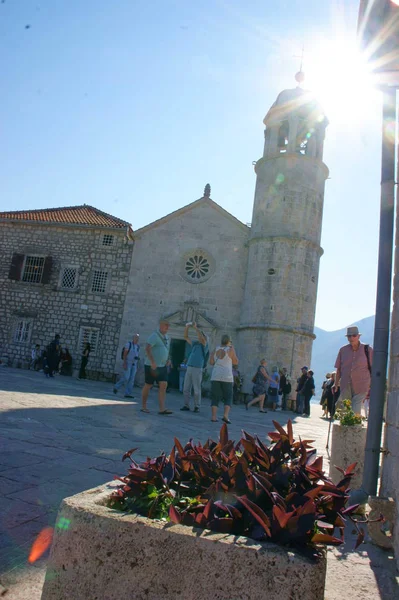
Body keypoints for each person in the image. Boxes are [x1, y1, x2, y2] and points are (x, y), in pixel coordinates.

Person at [334, 325, 373, 415]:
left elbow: (373, 368)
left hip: (362, 384)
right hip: (345, 384)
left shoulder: (368, 350)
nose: (351, 338)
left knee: (356, 407)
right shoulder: (343, 350)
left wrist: (372, 384)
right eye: (349, 336)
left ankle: (356, 426)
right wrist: (335, 384)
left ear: (358, 336)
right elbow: (339, 369)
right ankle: (347, 428)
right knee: (345, 410)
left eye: (354, 335)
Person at [141, 320, 172, 415]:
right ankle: (143, 406)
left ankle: (162, 409)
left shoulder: (167, 337)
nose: (167, 327)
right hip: (151, 366)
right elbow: (147, 348)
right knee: (148, 385)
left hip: (162, 366)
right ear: (161, 325)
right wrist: (152, 361)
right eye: (165, 325)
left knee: (163, 385)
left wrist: (168, 359)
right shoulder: (154, 336)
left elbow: (166, 350)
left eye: (168, 325)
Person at [210, 334, 238, 424]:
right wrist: (232, 348)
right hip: (227, 376)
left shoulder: (216, 348)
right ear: (229, 341)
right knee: (228, 396)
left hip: (216, 375)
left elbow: (211, 362)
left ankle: (214, 416)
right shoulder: (230, 349)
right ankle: (225, 416)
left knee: (215, 396)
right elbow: (235, 362)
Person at [180, 322, 209, 412]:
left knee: (196, 388)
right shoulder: (195, 343)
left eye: (202, 335)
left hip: (197, 368)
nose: (200, 337)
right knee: (186, 388)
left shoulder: (205, 345)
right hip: (189, 367)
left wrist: (196, 328)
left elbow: (201, 338)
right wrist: (187, 327)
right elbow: (186, 337)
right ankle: (186, 405)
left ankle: (197, 406)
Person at [113, 334, 140, 398]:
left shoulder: (138, 346)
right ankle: (116, 386)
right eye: (136, 338)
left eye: (138, 338)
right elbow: (125, 354)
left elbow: (136, 355)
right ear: (133, 338)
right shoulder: (128, 344)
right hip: (128, 363)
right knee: (126, 377)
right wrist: (124, 363)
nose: (137, 339)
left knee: (131, 379)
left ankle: (127, 393)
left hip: (134, 364)